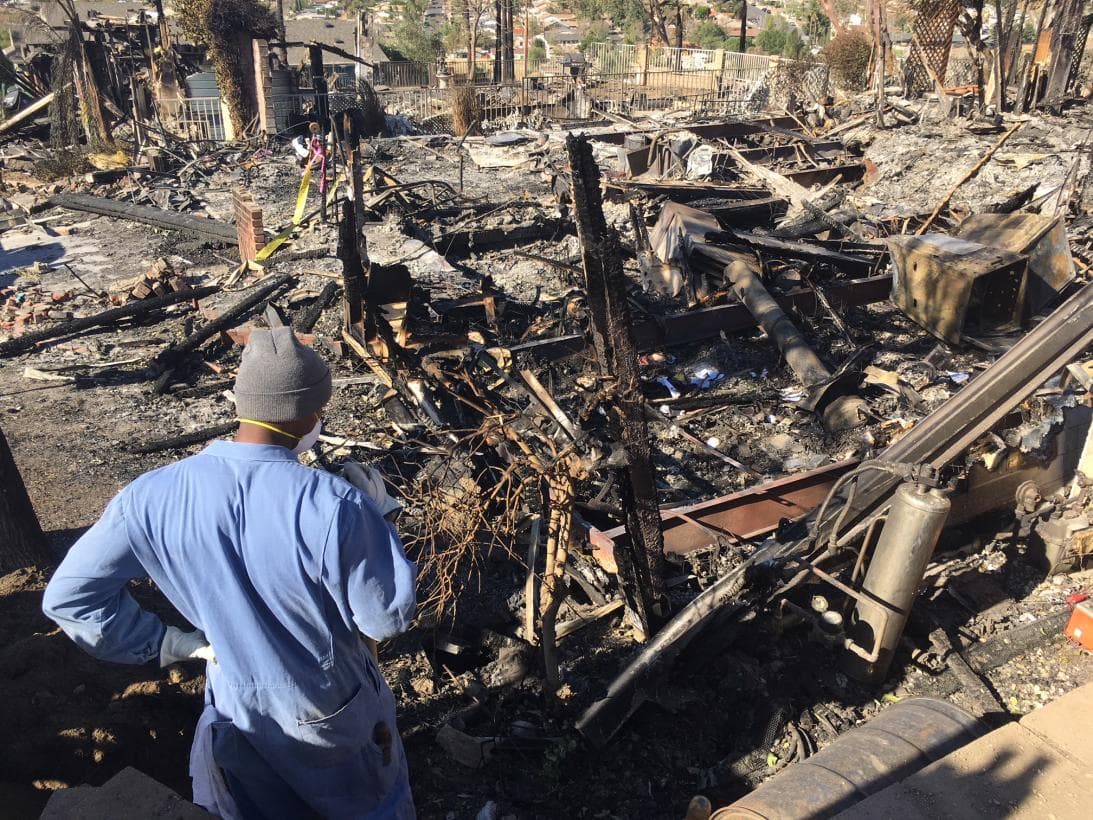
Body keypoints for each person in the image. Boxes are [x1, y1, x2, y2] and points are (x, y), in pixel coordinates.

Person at [43, 317, 417, 819]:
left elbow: (69, 598)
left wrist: (169, 643)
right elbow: (385, 618)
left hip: (237, 715)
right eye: (319, 409)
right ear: (305, 414)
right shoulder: (335, 506)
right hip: (331, 716)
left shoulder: (149, 497)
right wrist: (381, 516)